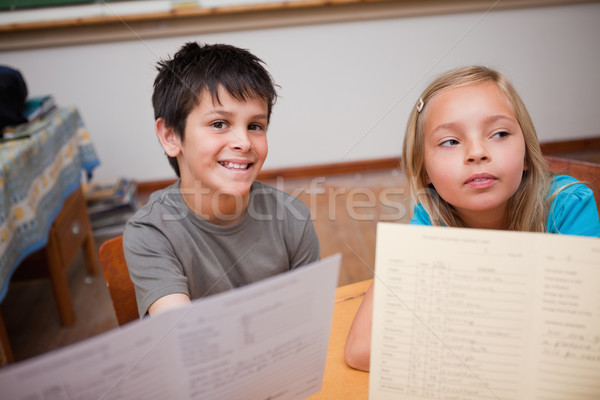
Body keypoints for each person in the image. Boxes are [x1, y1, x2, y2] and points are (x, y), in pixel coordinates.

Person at [344, 65, 600, 371]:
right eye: (451, 141)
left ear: (528, 155)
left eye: (500, 134)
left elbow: (582, 340)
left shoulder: (568, 206)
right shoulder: (431, 219)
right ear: (424, 170)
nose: (477, 152)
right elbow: (361, 348)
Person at [123, 42, 320, 317]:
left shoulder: (292, 218)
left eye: (255, 126)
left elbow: (309, 319)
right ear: (170, 136)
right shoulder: (151, 233)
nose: (243, 142)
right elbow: (183, 338)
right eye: (219, 124)